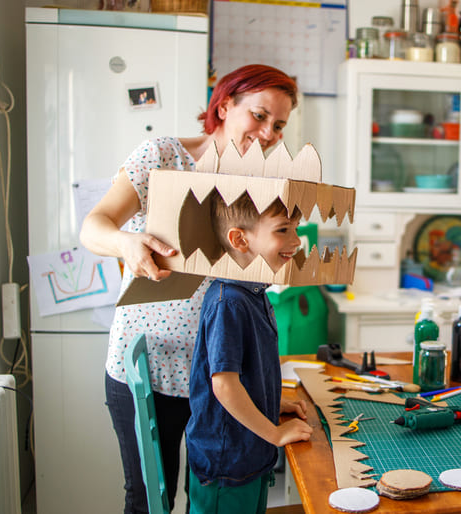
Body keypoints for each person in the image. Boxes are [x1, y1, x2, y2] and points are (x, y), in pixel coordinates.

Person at [79, 64, 298, 514]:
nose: (269, 132)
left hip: (220, 374)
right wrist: (125, 242)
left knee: (206, 493)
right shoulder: (162, 155)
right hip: (150, 365)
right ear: (223, 106)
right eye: (259, 116)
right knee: (147, 499)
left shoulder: (260, 183)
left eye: (279, 125)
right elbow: (92, 227)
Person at [186, 192, 313, 513]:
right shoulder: (228, 302)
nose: (296, 241)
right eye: (283, 230)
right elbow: (224, 385)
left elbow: (247, 371)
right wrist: (274, 432)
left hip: (248, 454)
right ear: (240, 240)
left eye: (296, 229)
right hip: (228, 461)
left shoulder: (253, 292)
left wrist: (275, 403)